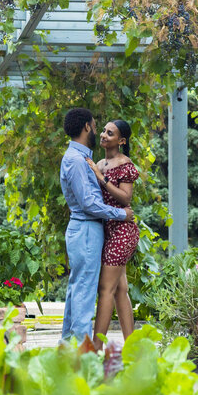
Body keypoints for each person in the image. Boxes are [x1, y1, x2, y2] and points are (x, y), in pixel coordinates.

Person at [59, 108, 133, 343]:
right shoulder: (80, 161)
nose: (100, 132)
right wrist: (121, 215)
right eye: (96, 125)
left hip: (90, 229)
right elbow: (90, 203)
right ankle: (82, 350)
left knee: (85, 288)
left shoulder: (83, 159)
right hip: (88, 229)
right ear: (87, 127)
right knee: (85, 290)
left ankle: (70, 346)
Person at [85, 119, 139, 348]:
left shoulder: (124, 164)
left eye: (111, 133)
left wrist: (101, 177)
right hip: (109, 229)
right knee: (120, 290)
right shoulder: (100, 162)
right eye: (104, 131)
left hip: (123, 231)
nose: (104, 135)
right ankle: (133, 348)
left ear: (122, 140)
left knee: (105, 288)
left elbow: (126, 198)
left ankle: (95, 348)